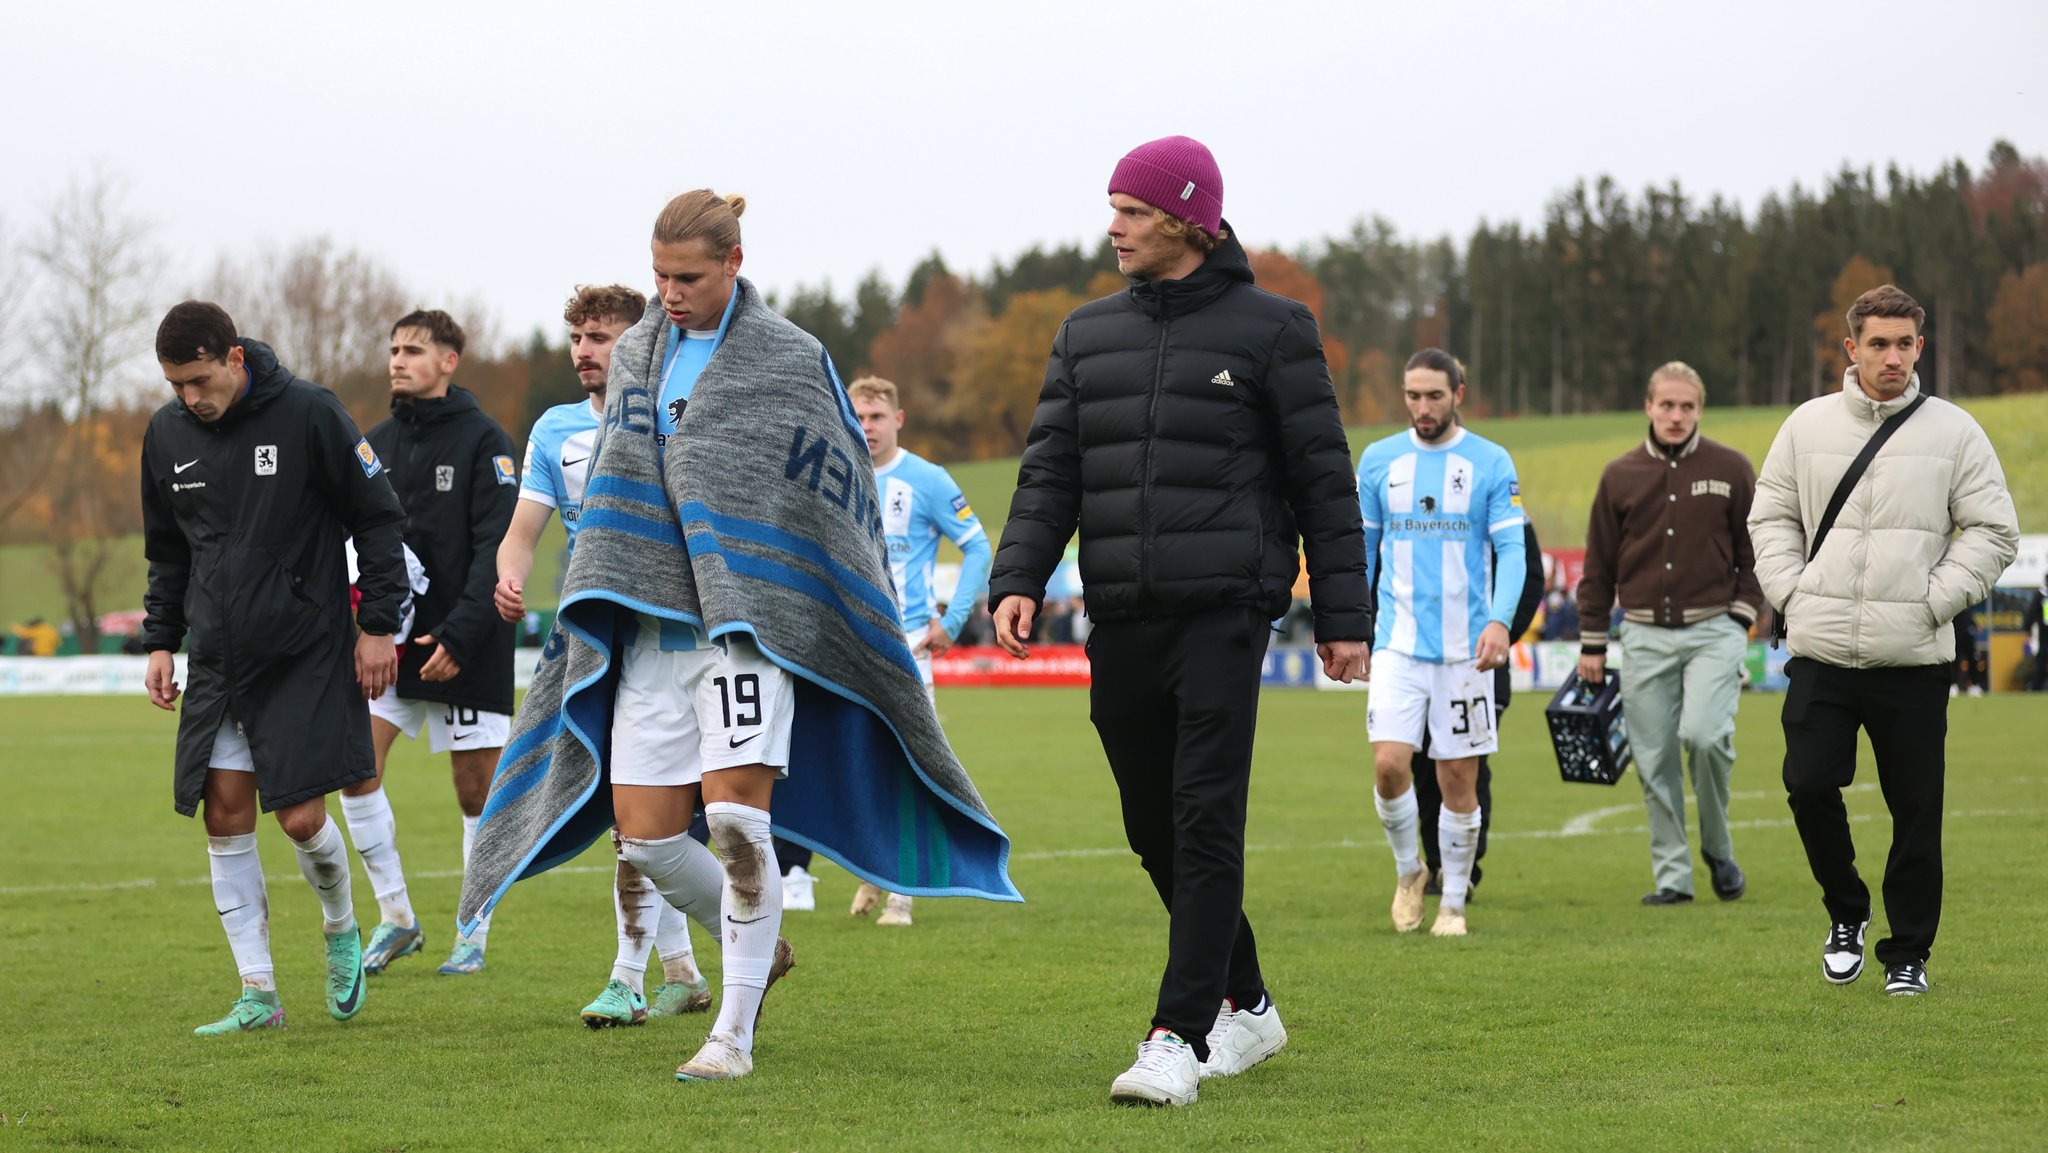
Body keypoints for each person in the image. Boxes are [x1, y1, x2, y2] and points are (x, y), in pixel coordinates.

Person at [458, 189, 1019, 1086]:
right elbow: (618, 490)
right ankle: (757, 937)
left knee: (733, 820)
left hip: (745, 631)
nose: (668, 294)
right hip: (648, 630)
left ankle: (733, 1032)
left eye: (686, 277)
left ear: (734, 262)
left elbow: (834, 496)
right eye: (658, 277)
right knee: (641, 840)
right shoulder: (637, 351)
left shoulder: (793, 359)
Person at [988, 136, 1369, 1108]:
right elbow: (1049, 472)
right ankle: (1248, 999)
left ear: (1186, 220)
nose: (1110, 226)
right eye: (1111, 207)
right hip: (1118, 608)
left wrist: (1339, 612)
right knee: (1149, 823)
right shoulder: (1084, 334)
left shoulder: (1275, 329)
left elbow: (1321, 481)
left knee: (1203, 815)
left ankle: (1177, 1033)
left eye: (1129, 210)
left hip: (1225, 610)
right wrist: (1018, 574)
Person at [140, 301, 406, 1034]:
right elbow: (166, 550)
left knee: (298, 817)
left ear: (232, 357)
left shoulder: (310, 412)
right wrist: (161, 639)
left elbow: (378, 517)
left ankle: (341, 925)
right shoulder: (164, 435)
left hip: (306, 651)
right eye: (174, 384)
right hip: (219, 659)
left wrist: (378, 624)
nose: (188, 397)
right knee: (223, 817)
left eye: (197, 379)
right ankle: (259, 992)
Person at [1749, 284, 2018, 997]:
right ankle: (1847, 913)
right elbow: (1769, 516)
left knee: (1916, 810)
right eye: (1878, 343)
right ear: (1850, 349)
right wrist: (1792, 591)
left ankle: (1908, 954)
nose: (1892, 356)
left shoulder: (1955, 431)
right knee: (1807, 785)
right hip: (1822, 648)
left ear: (1920, 347)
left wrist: (1933, 600)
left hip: (1914, 657)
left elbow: (1995, 531)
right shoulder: (1805, 426)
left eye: (1904, 344)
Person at [494, 284, 710, 1026]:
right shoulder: (555, 430)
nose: (584, 350)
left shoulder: (678, 407)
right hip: (600, 640)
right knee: (636, 814)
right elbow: (524, 527)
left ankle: (679, 964)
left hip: (685, 634)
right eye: (577, 337)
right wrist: (511, 572)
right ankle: (648, 973)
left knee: (678, 817)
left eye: (600, 336)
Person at [349, 309, 518, 977]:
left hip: (467, 639)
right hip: (389, 641)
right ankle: (397, 916)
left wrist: (461, 630)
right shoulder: (373, 444)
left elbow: (496, 546)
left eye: (414, 349)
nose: (398, 359)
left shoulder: (485, 440)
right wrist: (370, 625)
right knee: (355, 766)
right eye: (393, 348)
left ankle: (472, 929)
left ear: (449, 360)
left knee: (475, 789)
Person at [1576, 362, 1765, 906]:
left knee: (1705, 738)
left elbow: (1758, 551)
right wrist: (1592, 641)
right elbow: (1599, 564)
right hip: (1641, 636)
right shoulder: (1619, 475)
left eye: (1687, 406)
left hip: (1714, 630)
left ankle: (1718, 847)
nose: (1676, 416)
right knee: (1653, 759)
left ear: (1700, 409)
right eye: (1667, 405)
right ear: (1649, 407)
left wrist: (1741, 614)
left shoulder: (1732, 467)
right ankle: (1673, 878)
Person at [1357, 349, 1527, 940]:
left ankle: (1453, 900)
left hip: (1464, 652)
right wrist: (1351, 626)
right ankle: (1411, 872)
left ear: (1460, 391)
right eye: (1412, 396)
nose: (1422, 407)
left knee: (1459, 777)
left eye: (1434, 395)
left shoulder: (1490, 461)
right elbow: (1362, 556)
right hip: (1397, 646)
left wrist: (1500, 621)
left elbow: (1512, 551)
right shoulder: (1379, 461)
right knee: (1387, 767)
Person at [841, 374, 993, 928]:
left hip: (908, 646)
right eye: (857, 416)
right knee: (861, 766)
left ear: (898, 419)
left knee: (909, 764)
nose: (866, 428)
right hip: (850, 645)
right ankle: (871, 872)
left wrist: (953, 621)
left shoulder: (927, 479)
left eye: (876, 417)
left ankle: (903, 891)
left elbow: (978, 547)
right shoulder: (837, 472)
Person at [1411, 522, 1542, 899]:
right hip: (1417, 658)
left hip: (1480, 663)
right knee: (1421, 761)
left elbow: (1530, 577)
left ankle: (1464, 868)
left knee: (1468, 763)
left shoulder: (1499, 496)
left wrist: (1500, 635)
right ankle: (1436, 862)